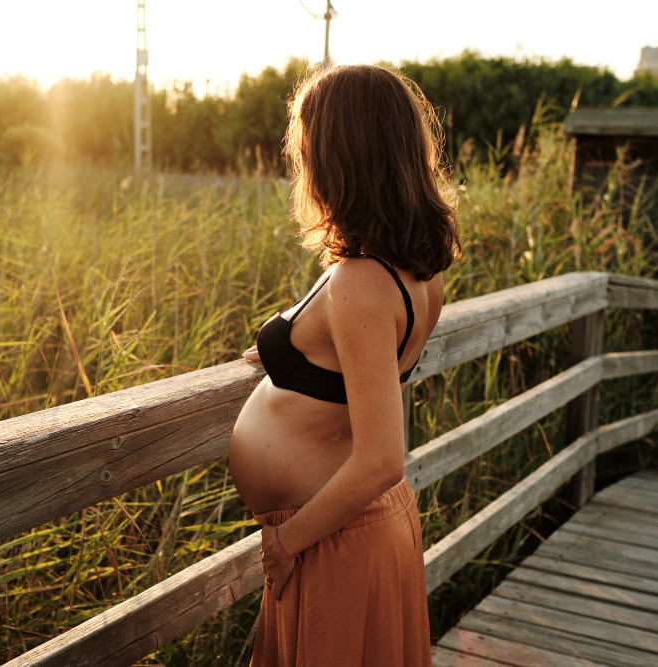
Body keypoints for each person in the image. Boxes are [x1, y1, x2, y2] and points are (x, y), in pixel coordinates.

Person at [228, 64, 461, 666]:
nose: (301, 164)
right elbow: (355, 366)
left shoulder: (361, 282)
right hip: (358, 529)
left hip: (332, 537)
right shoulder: (414, 271)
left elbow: (382, 458)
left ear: (339, 157)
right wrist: (288, 355)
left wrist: (286, 543)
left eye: (306, 148)